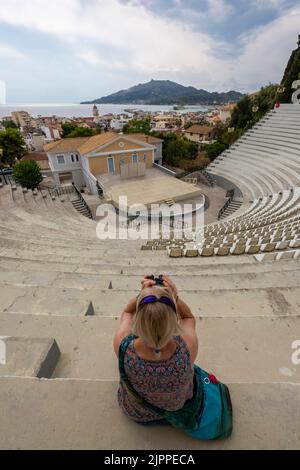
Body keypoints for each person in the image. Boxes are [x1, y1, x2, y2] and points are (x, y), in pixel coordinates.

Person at [114, 275, 232, 440]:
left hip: (137, 414)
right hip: (176, 411)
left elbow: (127, 312)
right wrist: (174, 296)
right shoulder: (187, 348)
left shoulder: (122, 346)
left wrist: (144, 295)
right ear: (174, 320)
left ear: (139, 320)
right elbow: (188, 318)